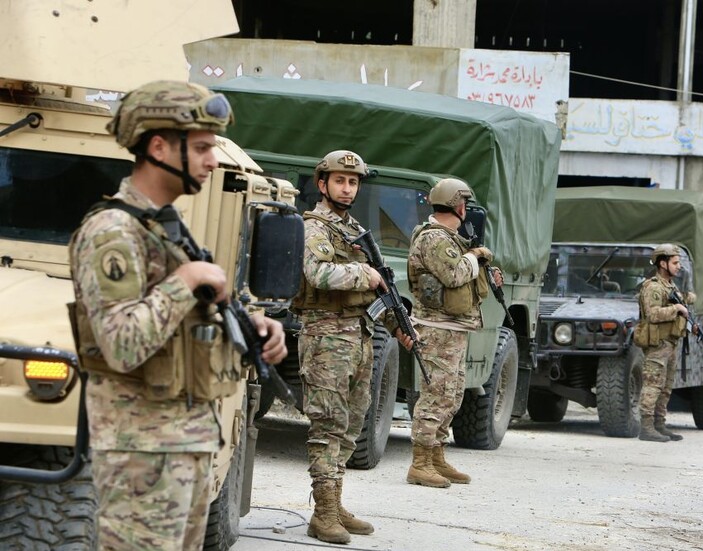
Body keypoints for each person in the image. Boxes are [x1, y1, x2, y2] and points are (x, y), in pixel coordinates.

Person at [68, 80, 287, 550]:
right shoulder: (112, 232)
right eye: (203, 148)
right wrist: (185, 280)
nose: (213, 160)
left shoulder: (166, 226)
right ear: (159, 147)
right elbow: (120, 344)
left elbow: (182, 324)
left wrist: (250, 324)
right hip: (141, 453)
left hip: (185, 442)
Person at [293, 150, 413, 544]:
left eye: (353, 182)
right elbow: (316, 273)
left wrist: (397, 325)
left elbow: (378, 292)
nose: (347, 188)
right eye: (340, 181)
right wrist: (365, 273)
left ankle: (335, 502)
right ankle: (324, 512)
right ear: (322, 184)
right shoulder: (315, 227)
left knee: (351, 425)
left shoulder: (354, 229)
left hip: (358, 335)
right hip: (325, 336)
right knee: (328, 424)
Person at [405, 178, 502, 487]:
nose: (466, 209)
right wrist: (475, 256)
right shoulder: (434, 238)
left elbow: (463, 278)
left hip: (453, 328)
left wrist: (482, 269)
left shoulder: (450, 238)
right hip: (437, 330)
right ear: (458, 205)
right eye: (465, 204)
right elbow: (454, 274)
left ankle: (436, 456)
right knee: (436, 396)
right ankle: (420, 463)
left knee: (452, 394)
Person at [634, 243, 693, 442]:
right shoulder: (653, 287)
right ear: (662, 263)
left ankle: (659, 424)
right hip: (657, 344)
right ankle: (646, 427)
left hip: (670, 343)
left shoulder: (670, 286)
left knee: (666, 387)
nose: (679, 266)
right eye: (675, 263)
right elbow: (652, 314)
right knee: (652, 385)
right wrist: (676, 309)